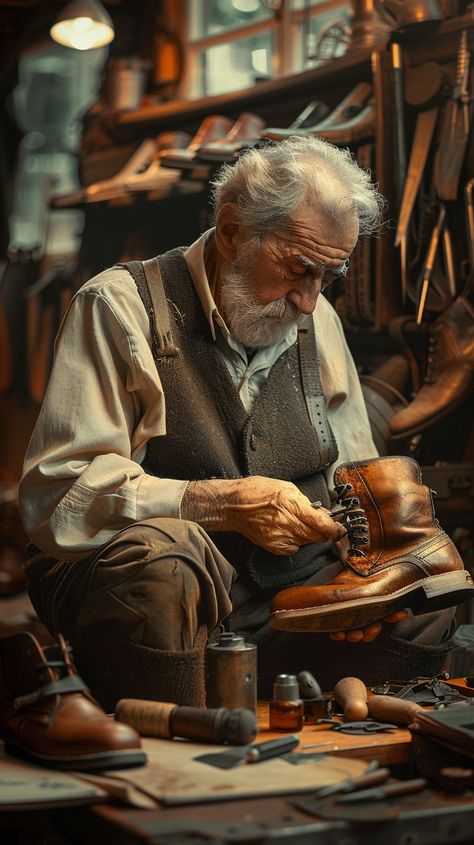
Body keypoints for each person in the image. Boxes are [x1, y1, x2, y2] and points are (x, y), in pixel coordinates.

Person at [19, 136, 455, 710]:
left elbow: (353, 472)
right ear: (231, 231)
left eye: (329, 274)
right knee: (165, 560)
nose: (309, 300)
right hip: (167, 594)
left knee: (428, 589)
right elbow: (58, 497)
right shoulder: (119, 305)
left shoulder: (315, 314)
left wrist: (368, 588)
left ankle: (358, 737)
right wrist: (217, 503)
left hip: (284, 594)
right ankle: (176, 742)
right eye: (299, 267)